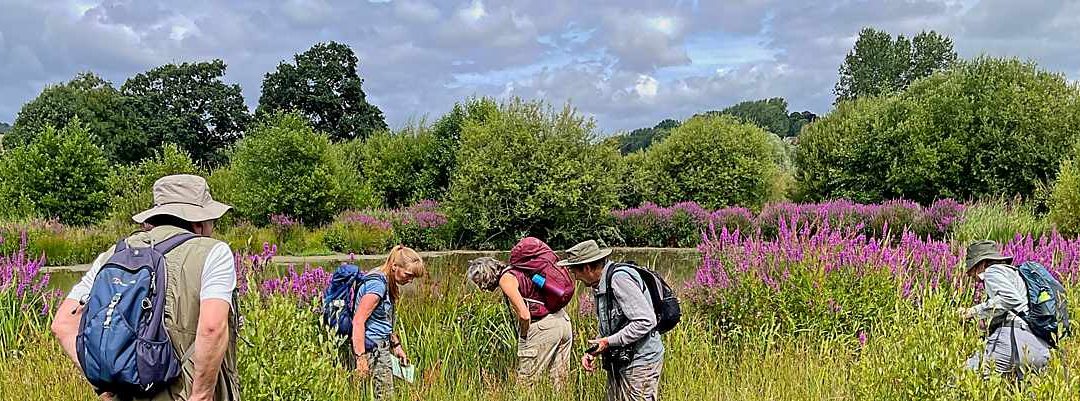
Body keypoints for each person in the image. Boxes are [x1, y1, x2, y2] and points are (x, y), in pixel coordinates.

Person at [51, 174, 239, 401]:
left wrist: (103, 384)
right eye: (211, 220)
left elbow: (63, 324)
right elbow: (211, 328)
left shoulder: (115, 253)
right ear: (199, 223)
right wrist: (201, 394)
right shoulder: (214, 252)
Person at [559, 240, 664, 401]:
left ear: (587, 268)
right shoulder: (600, 283)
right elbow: (611, 322)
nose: (576, 278)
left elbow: (645, 320)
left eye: (575, 272)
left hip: (641, 361)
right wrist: (596, 349)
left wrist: (608, 342)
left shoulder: (619, 279)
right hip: (621, 360)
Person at [466, 237, 574, 387]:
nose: (481, 288)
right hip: (563, 322)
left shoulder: (506, 279)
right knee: (558, 383)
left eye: (479, 283)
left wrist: (524, 337)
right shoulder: (523, 270)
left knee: (526, 384)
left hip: (543, 327)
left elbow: (524, 315)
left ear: (485, 276)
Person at [960, 240, 1051, 379]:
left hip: (1014, 341)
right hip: (1038, 347)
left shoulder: (992, 271)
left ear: (982, 264)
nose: (970, 274)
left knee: (964, 378)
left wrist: (972, 312)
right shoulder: (1015, 274)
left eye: (971, 268)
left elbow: (1011, 299)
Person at [346, 245, 427, 400]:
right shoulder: (377, 285)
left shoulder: (383, 277)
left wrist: (395, 345)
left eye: (413, 278)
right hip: (372, 350)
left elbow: (382, 320)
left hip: (379, 346)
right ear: (394, 266)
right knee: (384, 397)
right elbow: (358, 321)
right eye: (408, 275)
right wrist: (361, 358)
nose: (410, 280)